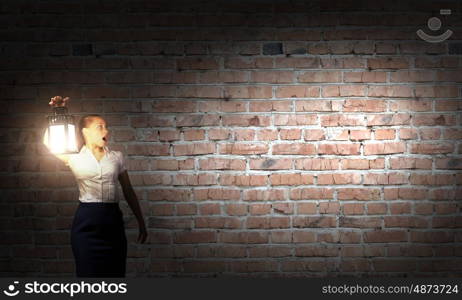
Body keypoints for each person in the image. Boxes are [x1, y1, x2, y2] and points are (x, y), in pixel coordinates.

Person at [43, 96, 147, 278]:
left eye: (106, 127)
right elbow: (48, 144)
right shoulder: (73, 156)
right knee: (87, 274)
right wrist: (58, 112)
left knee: (115, 275)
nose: (106, 130)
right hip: (86, 222)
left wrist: (141, 221)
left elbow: (128, 190)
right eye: (100, 127)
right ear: (85, 132)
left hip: (112, 220)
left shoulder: (117, 157)